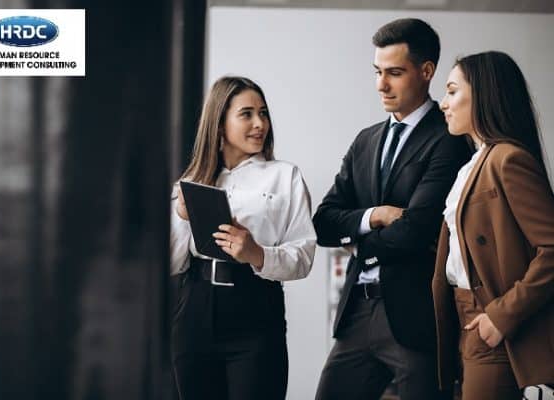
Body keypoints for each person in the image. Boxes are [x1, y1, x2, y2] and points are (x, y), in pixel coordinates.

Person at [313, 18, 471, 400]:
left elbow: (416, 230)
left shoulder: (448, 140)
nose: (381, 85)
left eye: (394, 73)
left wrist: (357, 242)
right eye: (378, 72)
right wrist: (376, 215)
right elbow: (322, 223)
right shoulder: (365, 140)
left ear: (426, 71)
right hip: (356, 315)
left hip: (414, 317)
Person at [169, 76, 316, 400]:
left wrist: (256, 253)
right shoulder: (191, 180)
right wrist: (181, 219)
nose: (259, 123)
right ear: (219, 123)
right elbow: (171, 263)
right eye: (246, 114)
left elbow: (304, 257)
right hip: (195, 308)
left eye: (263, 113)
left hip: (255, 309)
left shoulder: (285, 175)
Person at [434, 51, 554, 399]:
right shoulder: (472, 163)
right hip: (462, 316)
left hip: (494, 319)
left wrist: (501, 316)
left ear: (484, 94)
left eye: (452, 91)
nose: (444, 103)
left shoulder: (507, 158)